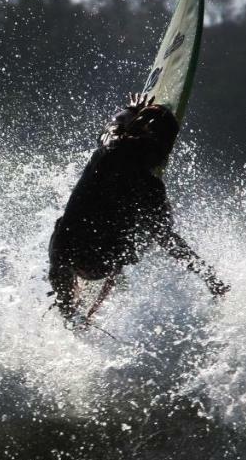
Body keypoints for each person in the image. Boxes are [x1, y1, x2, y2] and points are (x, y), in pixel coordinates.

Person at [48, 93, 228, 324]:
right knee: (152, 227)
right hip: (99, 264)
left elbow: (111, 127)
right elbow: (169, 241)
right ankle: (111, 269)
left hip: (62, 253)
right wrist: (209, 276)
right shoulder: (149, 187)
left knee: (66, 227)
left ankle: (66, 304)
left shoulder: (110, 146)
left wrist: (129, 111)